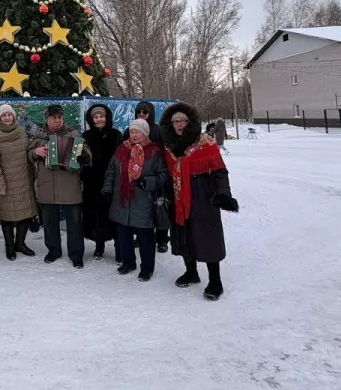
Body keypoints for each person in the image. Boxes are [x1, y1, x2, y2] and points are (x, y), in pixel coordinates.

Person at [159, 103, 239, 301]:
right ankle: (191, 272)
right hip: (178, 195)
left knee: (207, 236)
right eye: (175, 121)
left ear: (190, 121)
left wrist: (223, 194)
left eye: (182, 121)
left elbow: (220, 171)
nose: (179, 124)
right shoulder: (168, 146)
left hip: (202, 194)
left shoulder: (206, 143)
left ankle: (215, 280)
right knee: (184, 234)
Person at [102, 119, 169, 282]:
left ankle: (147, 269)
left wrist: (149, 182)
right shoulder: (121, 150)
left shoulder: (154, 152)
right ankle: (128, 262)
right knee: (124, 235)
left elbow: (164, 175)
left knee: (146, 238)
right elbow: (111, 170)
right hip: (122, 200)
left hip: (144, 201)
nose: (134, 135)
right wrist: (107, 187)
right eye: (132, 131)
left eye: (137, 132)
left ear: (145, 133)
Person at [29, 104, 91, 269]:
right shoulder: (39, 136)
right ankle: (54, 250)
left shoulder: (74, 134)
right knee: (49, 222)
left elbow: (87, 153)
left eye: (59, 118)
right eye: (53, 118)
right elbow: (28, 154)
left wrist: (84, 156)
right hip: (47, 186)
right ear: (46, 119)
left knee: (74, 223)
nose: (57, 121)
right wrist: (35, 152)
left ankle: (76, 254)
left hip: (70, 186)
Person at [0, 104, 38, 261]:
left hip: (24, 180)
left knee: (25, 215)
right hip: (6, 184)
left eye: (9, 115)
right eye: (4, 115)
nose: (7, 118)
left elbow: (27, 153)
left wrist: (35, 155)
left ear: (13, 116)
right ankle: (9, 247)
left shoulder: (21, 132)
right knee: (7, 217)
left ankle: (20, 244)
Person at [122, 101, 169, 254]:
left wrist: (162, 174)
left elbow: (167, 152)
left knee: (160, 209)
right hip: (137, 176)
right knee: (141, 209)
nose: (141, 114)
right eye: (139, 112)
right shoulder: (130, 130)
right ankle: (140, 235)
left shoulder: (159, 131)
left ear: (151, 113)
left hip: (157, 174)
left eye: (145, 112)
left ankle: (162, 239)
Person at [81, 104, 123, 261]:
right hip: (92, 183)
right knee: (96, 216)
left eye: (101, 116)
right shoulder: (85, 136)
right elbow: (80, 159)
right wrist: (83, 161)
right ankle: (99, 246)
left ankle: (119, 249)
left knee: (114, 216)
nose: (99, 119)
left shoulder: (116, 135)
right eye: (95, 117)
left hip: (112, 182)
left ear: (107, 118)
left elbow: (121, 158)